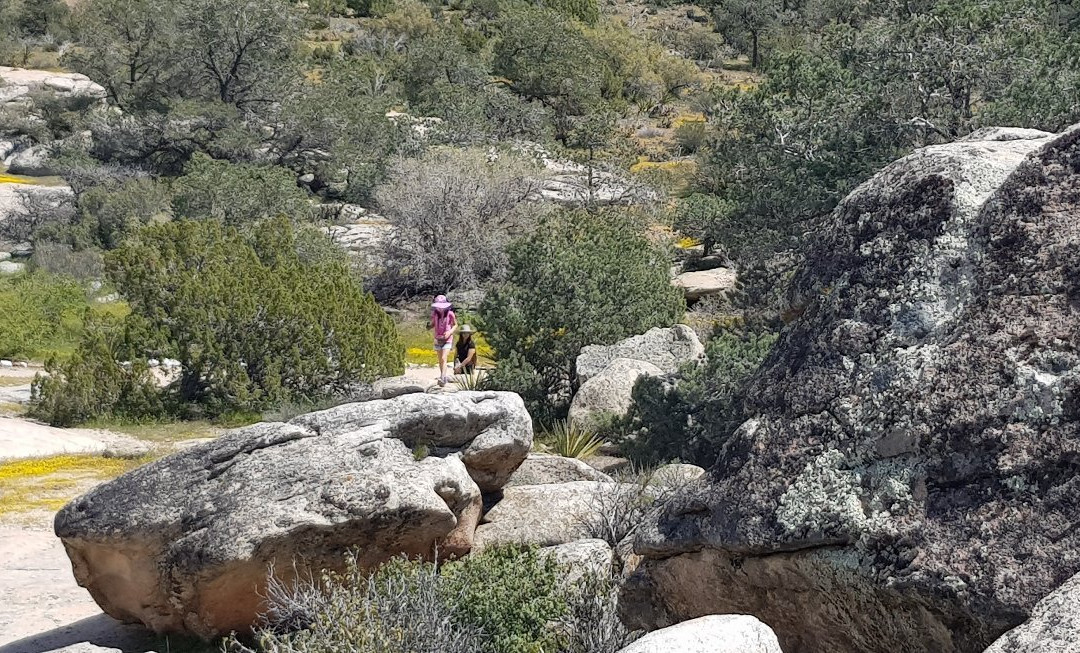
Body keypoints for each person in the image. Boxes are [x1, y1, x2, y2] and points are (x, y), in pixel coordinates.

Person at [430, 294, 457, 386]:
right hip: (438, 338)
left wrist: (450, 332)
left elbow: (455, 325)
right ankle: (443, 377)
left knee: (443, 358)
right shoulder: (435, 314)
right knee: (440, 360)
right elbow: (433, 324)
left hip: (447, 339)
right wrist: (429, 326)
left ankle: (443, 377)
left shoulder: (450, 314)